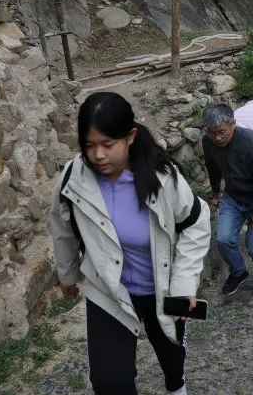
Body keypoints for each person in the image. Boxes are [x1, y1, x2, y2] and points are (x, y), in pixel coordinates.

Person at [49, 92, 211, 395]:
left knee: (171, 353)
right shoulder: (73, 179)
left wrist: (185, 283)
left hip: (162, 286)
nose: (98, 155)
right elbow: (62, 227)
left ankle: (176, 385)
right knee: (110, 383)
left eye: (108, 145)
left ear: (130, 137)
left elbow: (196, 222)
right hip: (109, 289)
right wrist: (68, 274)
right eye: (89, 145)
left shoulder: (162, 177)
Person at [202, 104, 253, 298]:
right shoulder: (208, 141)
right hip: (234, 196)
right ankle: (238, 271)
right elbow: (212, 165)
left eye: (221, 132)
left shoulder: (252, 142)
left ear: (233, 124)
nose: (217, 138)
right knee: (223, 239)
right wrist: (216, 188)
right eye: (212, 133)